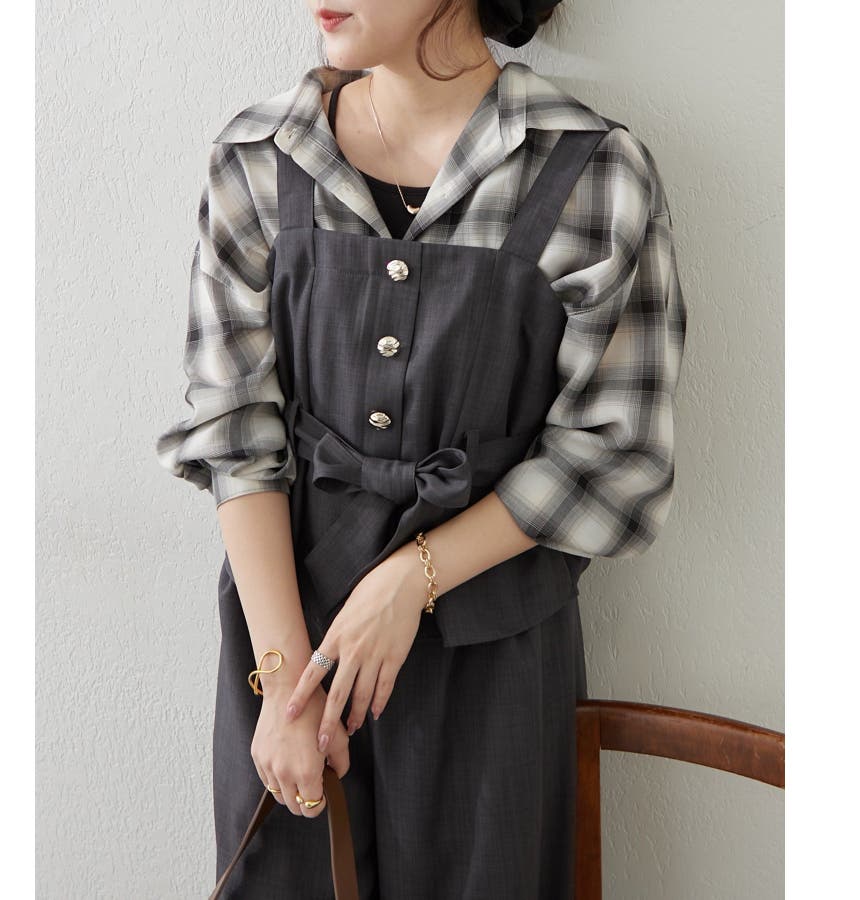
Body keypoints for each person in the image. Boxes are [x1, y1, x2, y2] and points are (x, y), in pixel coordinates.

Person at [154, 1, 688, 897]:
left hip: (494, 665)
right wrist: (284, 685)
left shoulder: (594, 173)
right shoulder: (259, 158)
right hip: (290, 648)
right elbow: (235, 432)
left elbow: (614, 455)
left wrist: (410, 580)